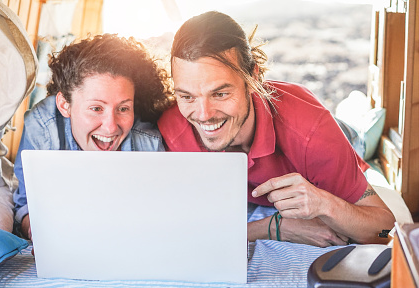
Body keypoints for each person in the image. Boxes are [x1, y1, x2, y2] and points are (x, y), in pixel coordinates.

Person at [157, 11, 395, 247]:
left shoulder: (312, 133)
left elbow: (385, 232)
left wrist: (324, 204)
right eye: (187, 96)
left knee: (361, 134)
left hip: (341, 135)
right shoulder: (174, 130)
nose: (203, 114)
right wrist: (273, 227)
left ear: (254, 77)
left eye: (220, 94)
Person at [13, 34, 174, 240]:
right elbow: (26, 203)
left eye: (123, 108)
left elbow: (159, 214)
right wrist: (36, 230)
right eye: (96, 108)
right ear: (65, 105)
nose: (110, 127)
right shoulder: (42, 128)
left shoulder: (147, 143)